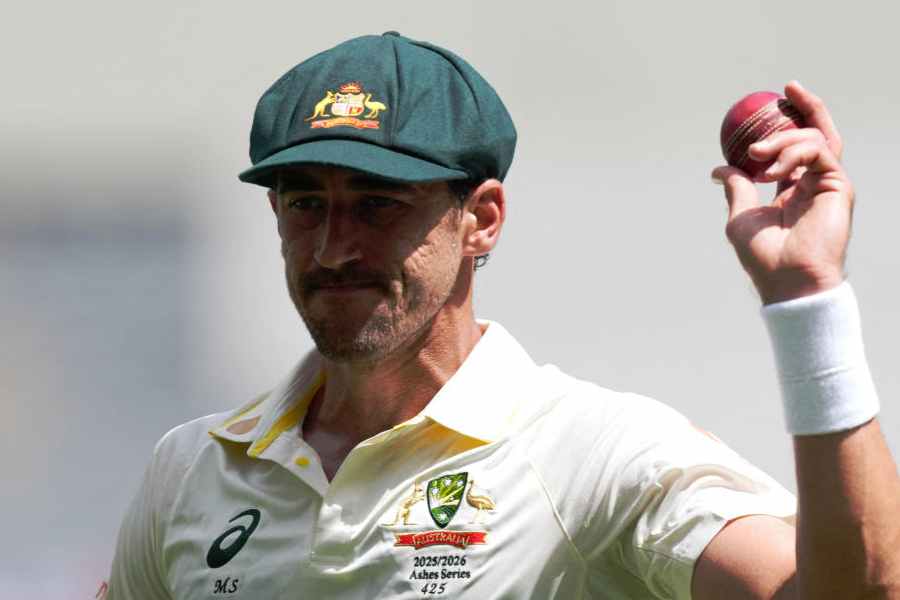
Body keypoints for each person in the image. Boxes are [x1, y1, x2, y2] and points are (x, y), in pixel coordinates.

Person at [105, 32, 900, 599]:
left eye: (379, 206)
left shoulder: (593, 453)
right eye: (305, 204)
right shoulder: (191, 471)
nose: (332, 248)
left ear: (482, 218)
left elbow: (854, 594)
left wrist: (807, 301)